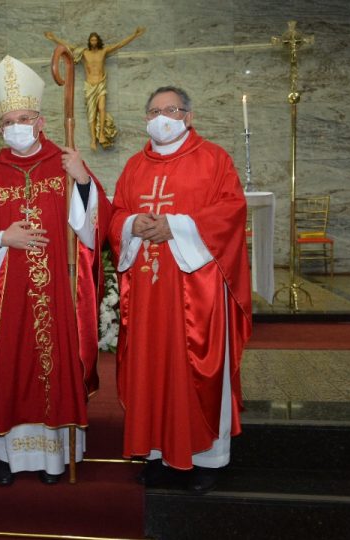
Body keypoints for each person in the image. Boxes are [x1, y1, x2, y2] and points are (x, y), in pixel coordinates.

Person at [0, 55, 111, 486]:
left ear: (41, 121)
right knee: (9, 370)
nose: (17, 125)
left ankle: (54, 459)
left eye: (24, 117)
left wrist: (82, 182)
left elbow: (94, 228)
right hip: (6, 304)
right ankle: (5, 455)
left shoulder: (65, 166)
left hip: (58, 296)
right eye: (9, 120)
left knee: (53, 368)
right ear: (0, 128)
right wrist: (1, 238)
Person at [109, 86, 252, 494]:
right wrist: (132, 223)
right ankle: (156, 453)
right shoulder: (135, 166)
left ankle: (207, 458)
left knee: (195, 372)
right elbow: (117, 212)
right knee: (151, 369)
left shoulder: (214, 159)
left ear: (188, 116)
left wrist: (177, 225)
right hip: (149, 294)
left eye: (169, 109)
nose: (161, 117)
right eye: (153, 110)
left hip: (198, 292)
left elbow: (230, 211)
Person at [44, 27, 145, 150]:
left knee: (102, 108)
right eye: (91, 40)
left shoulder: (104, 51)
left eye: (95, 40)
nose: (93, 42)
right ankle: (93, 139)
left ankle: (101, 133)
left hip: (101, 84)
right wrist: (54, 38)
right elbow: (68, 47)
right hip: (89, 86)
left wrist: (134, 35)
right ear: (89, 41)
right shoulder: (84, 52)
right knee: (91, 113)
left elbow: (119, 45)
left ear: (98, 41)